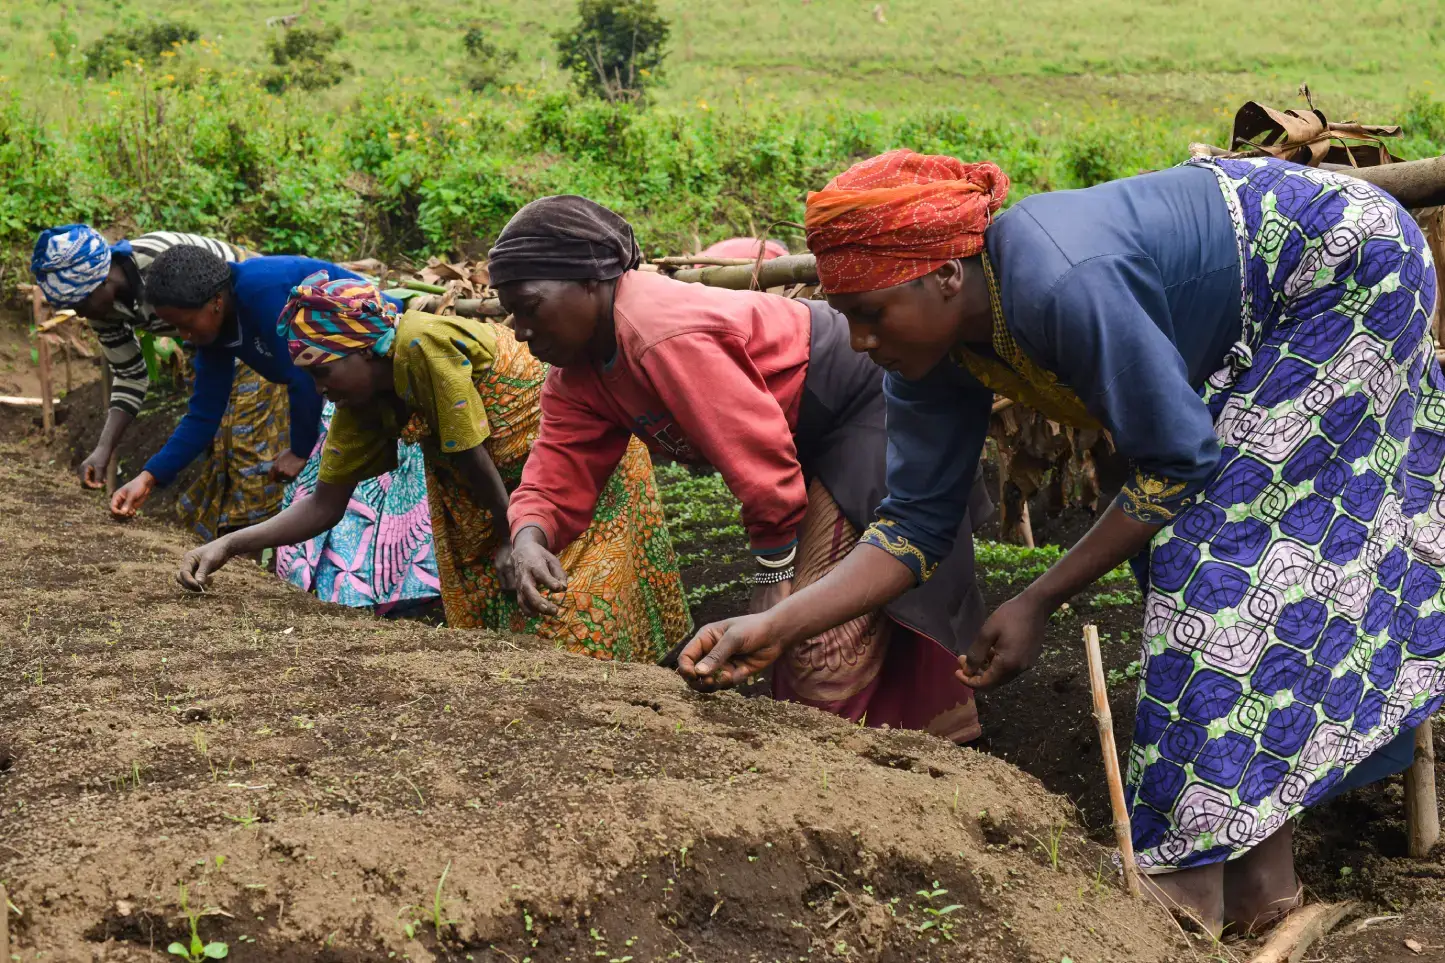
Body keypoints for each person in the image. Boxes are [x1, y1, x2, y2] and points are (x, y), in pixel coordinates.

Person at [677, 149, 1445, 935]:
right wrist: (776, 624)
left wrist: (1037, 596)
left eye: (870, 313)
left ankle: (1185, 882)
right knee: (1197, 562)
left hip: (1343, 267)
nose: (860, 340)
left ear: (945, 275)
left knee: (1215, 566)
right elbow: (910, 525)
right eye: (846, 318)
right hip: (1274, 295)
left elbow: (1178, 461)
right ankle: (1261, 888)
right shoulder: (930, 355)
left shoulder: (1059, 282)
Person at [493, 196, 990, 742]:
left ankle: (867, 767)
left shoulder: (660, 331)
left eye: (529, 306)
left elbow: (759, 458)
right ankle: (888, 743)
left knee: (813, 636)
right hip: (800, 437)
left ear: (590, 279)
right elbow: (558, 465)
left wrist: (774, 577)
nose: (519, 329)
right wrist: (529, 535)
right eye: (509, 313)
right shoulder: (578, 372)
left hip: (858, 405)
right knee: (807, 618)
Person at [176, 273, 690, 661]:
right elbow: (325, 504)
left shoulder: (420, 343)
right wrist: (231, 544)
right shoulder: (363, 402)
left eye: (325, 372)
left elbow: (468, 450)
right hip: (501, 495)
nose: (321, 391)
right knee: (512, 629)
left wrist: (511, 535)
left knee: (572, 612)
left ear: (365, 349)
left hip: (571, 465)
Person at [29, 225, 287, 537]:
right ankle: (224, 534)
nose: (81, 314)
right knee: (216, 438)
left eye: (81, 303)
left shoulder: (161, 261)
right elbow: (130, 374)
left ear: (103, 280)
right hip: (205, 339)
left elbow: (227, 294)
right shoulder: (104, 310)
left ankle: (252, 546)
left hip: (251, 323)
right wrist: (103, 449)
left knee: (247, 439)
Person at [107, 247, 375, 521]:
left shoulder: (261, 292)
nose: (185, 336)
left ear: (216, 302)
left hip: (375, 369)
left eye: (187, 324)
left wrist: (300, 450)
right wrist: (148, 477)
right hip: (343, 391)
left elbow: (301, 373)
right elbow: (204, 414)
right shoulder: (214, 334)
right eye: (176, 328)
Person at [274, 399, 442, 614]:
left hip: (399, 423)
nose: (319, 388)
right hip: (350, 415)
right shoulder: (340, 401)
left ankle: (379, 599)